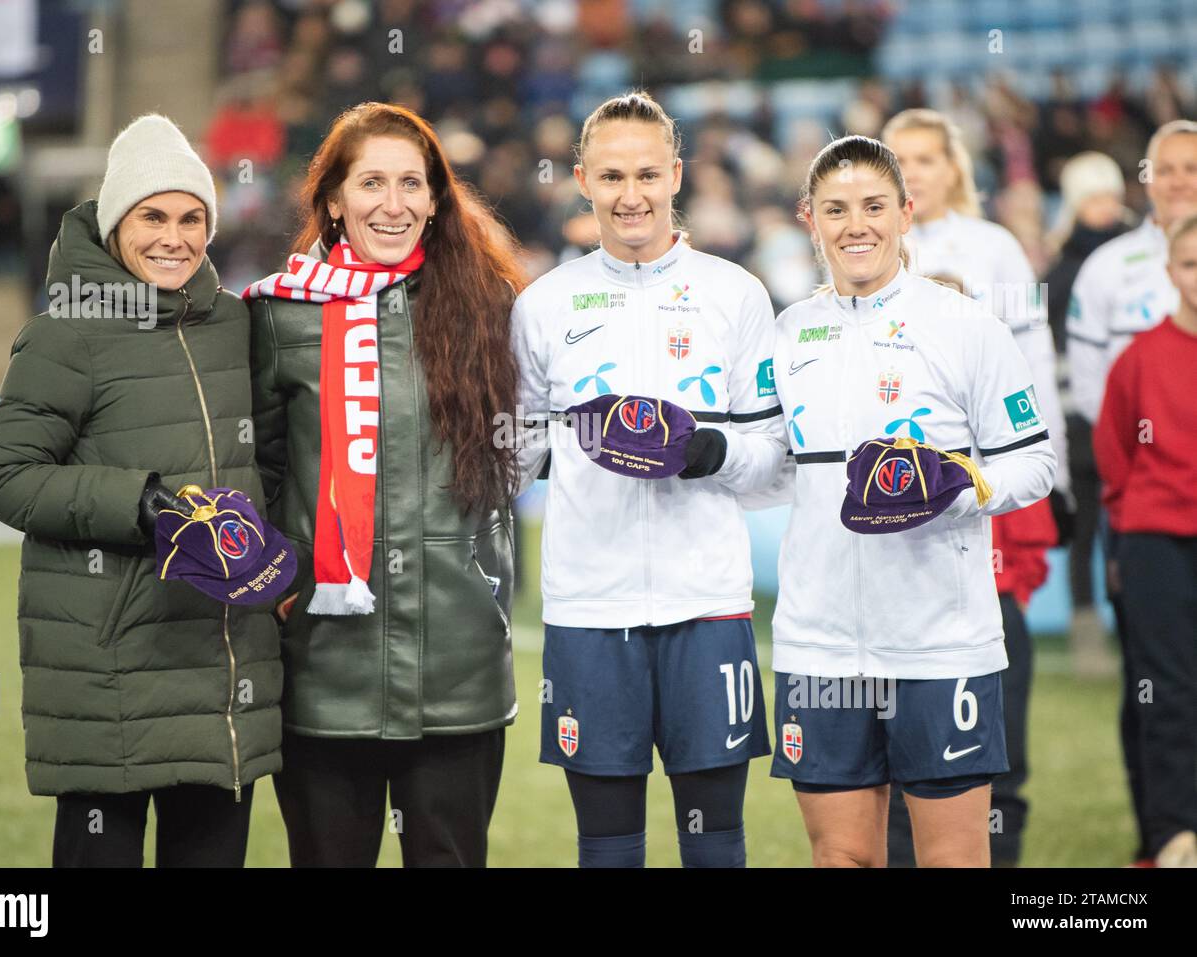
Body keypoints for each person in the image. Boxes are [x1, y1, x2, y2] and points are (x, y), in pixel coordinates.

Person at [0, 114, 283, 867]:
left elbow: (268, 457)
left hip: (219, 662)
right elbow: (5, 474)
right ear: (115, 223)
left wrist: (261, 547)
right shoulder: (65, 332)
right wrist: (141, 507)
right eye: (152, 216)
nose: (173, 237)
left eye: (191, 218)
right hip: (109, 663)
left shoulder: (235, 324)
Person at [512, 91, 788, 869]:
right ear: (581, 180)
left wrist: (709, 453)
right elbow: (513, 452)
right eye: (609, 177)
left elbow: (775, 457)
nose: (629, 195)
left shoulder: (734, 293)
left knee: (713, 841)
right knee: (606, 844)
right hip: (588, 607)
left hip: (707, 603)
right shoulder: (542, 305)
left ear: (675, 174)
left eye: (645, 174)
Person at [245, 102, 526, 868]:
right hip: (323, 665)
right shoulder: (277, 311)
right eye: (371, 182)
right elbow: (260, 465)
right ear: (333, 198)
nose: (393, 204)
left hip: (458, 662)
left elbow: (524, 459)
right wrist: (275, 569)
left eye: (412, 183)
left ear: (437, 198)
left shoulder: (492, 305)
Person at [767, 134, 1056, 868]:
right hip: (819, 644)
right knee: (842, 858)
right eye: (835, 209)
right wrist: (706, 453)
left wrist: (960, 485)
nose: (854, 224)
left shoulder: (965, 326)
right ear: (810, 217)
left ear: (907, 211)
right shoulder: (789, 331)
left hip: (940, 642)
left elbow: (1035, 460)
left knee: (952, 861)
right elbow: (772, 470)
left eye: (873, 206)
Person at [882, 108, 1069, 866]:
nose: (916, 170)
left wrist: (1040, 477)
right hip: (894, 499)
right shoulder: (871, 242)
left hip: (986, 487)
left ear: (954, 165)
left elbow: (1032, 361)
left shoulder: (993, 248)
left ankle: (1002, 839)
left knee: (998, 661)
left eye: (927, 157)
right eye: (901, 158)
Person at [1068, 118, 1197, 865]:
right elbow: (1103, 417)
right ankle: (1164, 835)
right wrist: (1130, 500)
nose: (1180, 179)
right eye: (1168, 168)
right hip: (1145, 516)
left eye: (1192, 168)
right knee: (1155, 687)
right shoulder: (1110, 269)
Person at [1094, 213, 1197, 869]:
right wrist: (1127, 544)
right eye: (1190, 264)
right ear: (1168, 273)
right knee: (1164, 692)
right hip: (1157, 541)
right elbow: (1116, 456)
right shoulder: (1137, 358)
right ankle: (1170, 836)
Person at [1043, 152, 1131, 669]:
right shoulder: (1060, 271)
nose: (1104, 207)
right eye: (1092, 197)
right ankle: (1087, 634)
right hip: (1078, 418)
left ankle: (1136, 620)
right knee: (1084, 526)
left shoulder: (1145, 257)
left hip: (1138, 419)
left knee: (1130, 523)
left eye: (1109, 194)